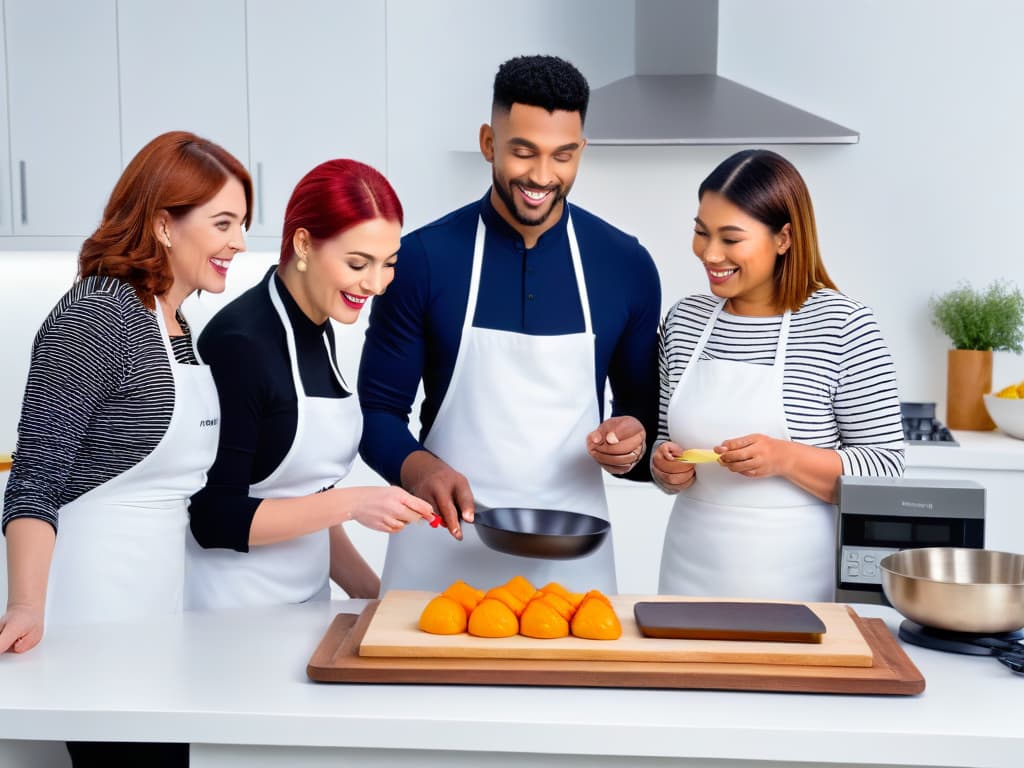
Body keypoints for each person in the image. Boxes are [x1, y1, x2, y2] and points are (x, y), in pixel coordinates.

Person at [358, 55, 662, 595]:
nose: (543, 176)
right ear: (488, 143)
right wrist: (418, 468)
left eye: (562, 155)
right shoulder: (422, 261)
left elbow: (642, 418)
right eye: (523, 151)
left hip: (573, 563)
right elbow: (377, 411)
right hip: (440, 550)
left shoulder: (626, 267)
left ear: (581, 151)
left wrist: (632, 445)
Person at [0, 130, 251, 765]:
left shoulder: (176, 321)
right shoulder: (98, 315)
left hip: (157, 616)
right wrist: (27, 605)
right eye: (223, 223)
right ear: (165, 224)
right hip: (92, 618)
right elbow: (36, 475)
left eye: (243, 224)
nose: (239, 243)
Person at [652, 149, 906, 602]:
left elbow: (885, 470)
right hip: (687, 573)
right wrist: (664, 467)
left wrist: (785, 458)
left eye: (731, 239)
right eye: (701, 232)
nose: (710, 253)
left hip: (797, 585)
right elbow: (659, 437)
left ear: (784, 237)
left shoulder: (842, 325)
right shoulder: (685, 320)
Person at [186, 159, 434, 610]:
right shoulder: (240, 344)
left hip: (307, 607)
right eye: (358, 263)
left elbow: (304, 498)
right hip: (232, 619)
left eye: (388, 264)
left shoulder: (319, 324)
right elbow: (213, 518)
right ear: (303, 243)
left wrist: (372, 597)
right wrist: (353, 503)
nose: (377, 284)